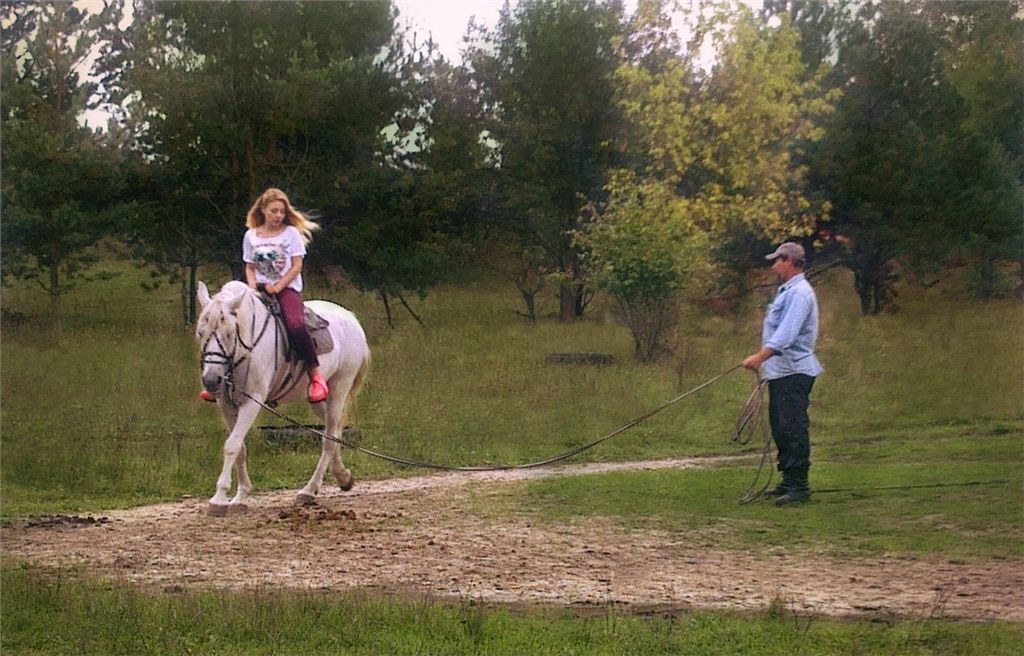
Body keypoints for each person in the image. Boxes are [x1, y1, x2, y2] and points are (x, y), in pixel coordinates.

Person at [201, 187, 328, 404]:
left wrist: (278, 287)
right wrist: (252, 285)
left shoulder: (291, 234)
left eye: (281, 211)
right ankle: (221, 381)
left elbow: (296, 266)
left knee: (296, 325)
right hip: (256, 289)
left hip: (286, 289)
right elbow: (249, 266)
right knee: (231, 327)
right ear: (263, 210)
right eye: (274, 211)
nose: (278, 215)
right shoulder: (251, 235)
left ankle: (316, 375)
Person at [742, 241, 822, 506]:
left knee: (793, 428)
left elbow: (786, 335)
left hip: (794, 371)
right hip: (780, 372)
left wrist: (760, 357)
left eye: (777, 260)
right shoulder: (787, 292)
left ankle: (799, 486)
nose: (774, 266)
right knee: (781, 428)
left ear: (789, 261)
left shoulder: (799, 293)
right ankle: (788, 481)